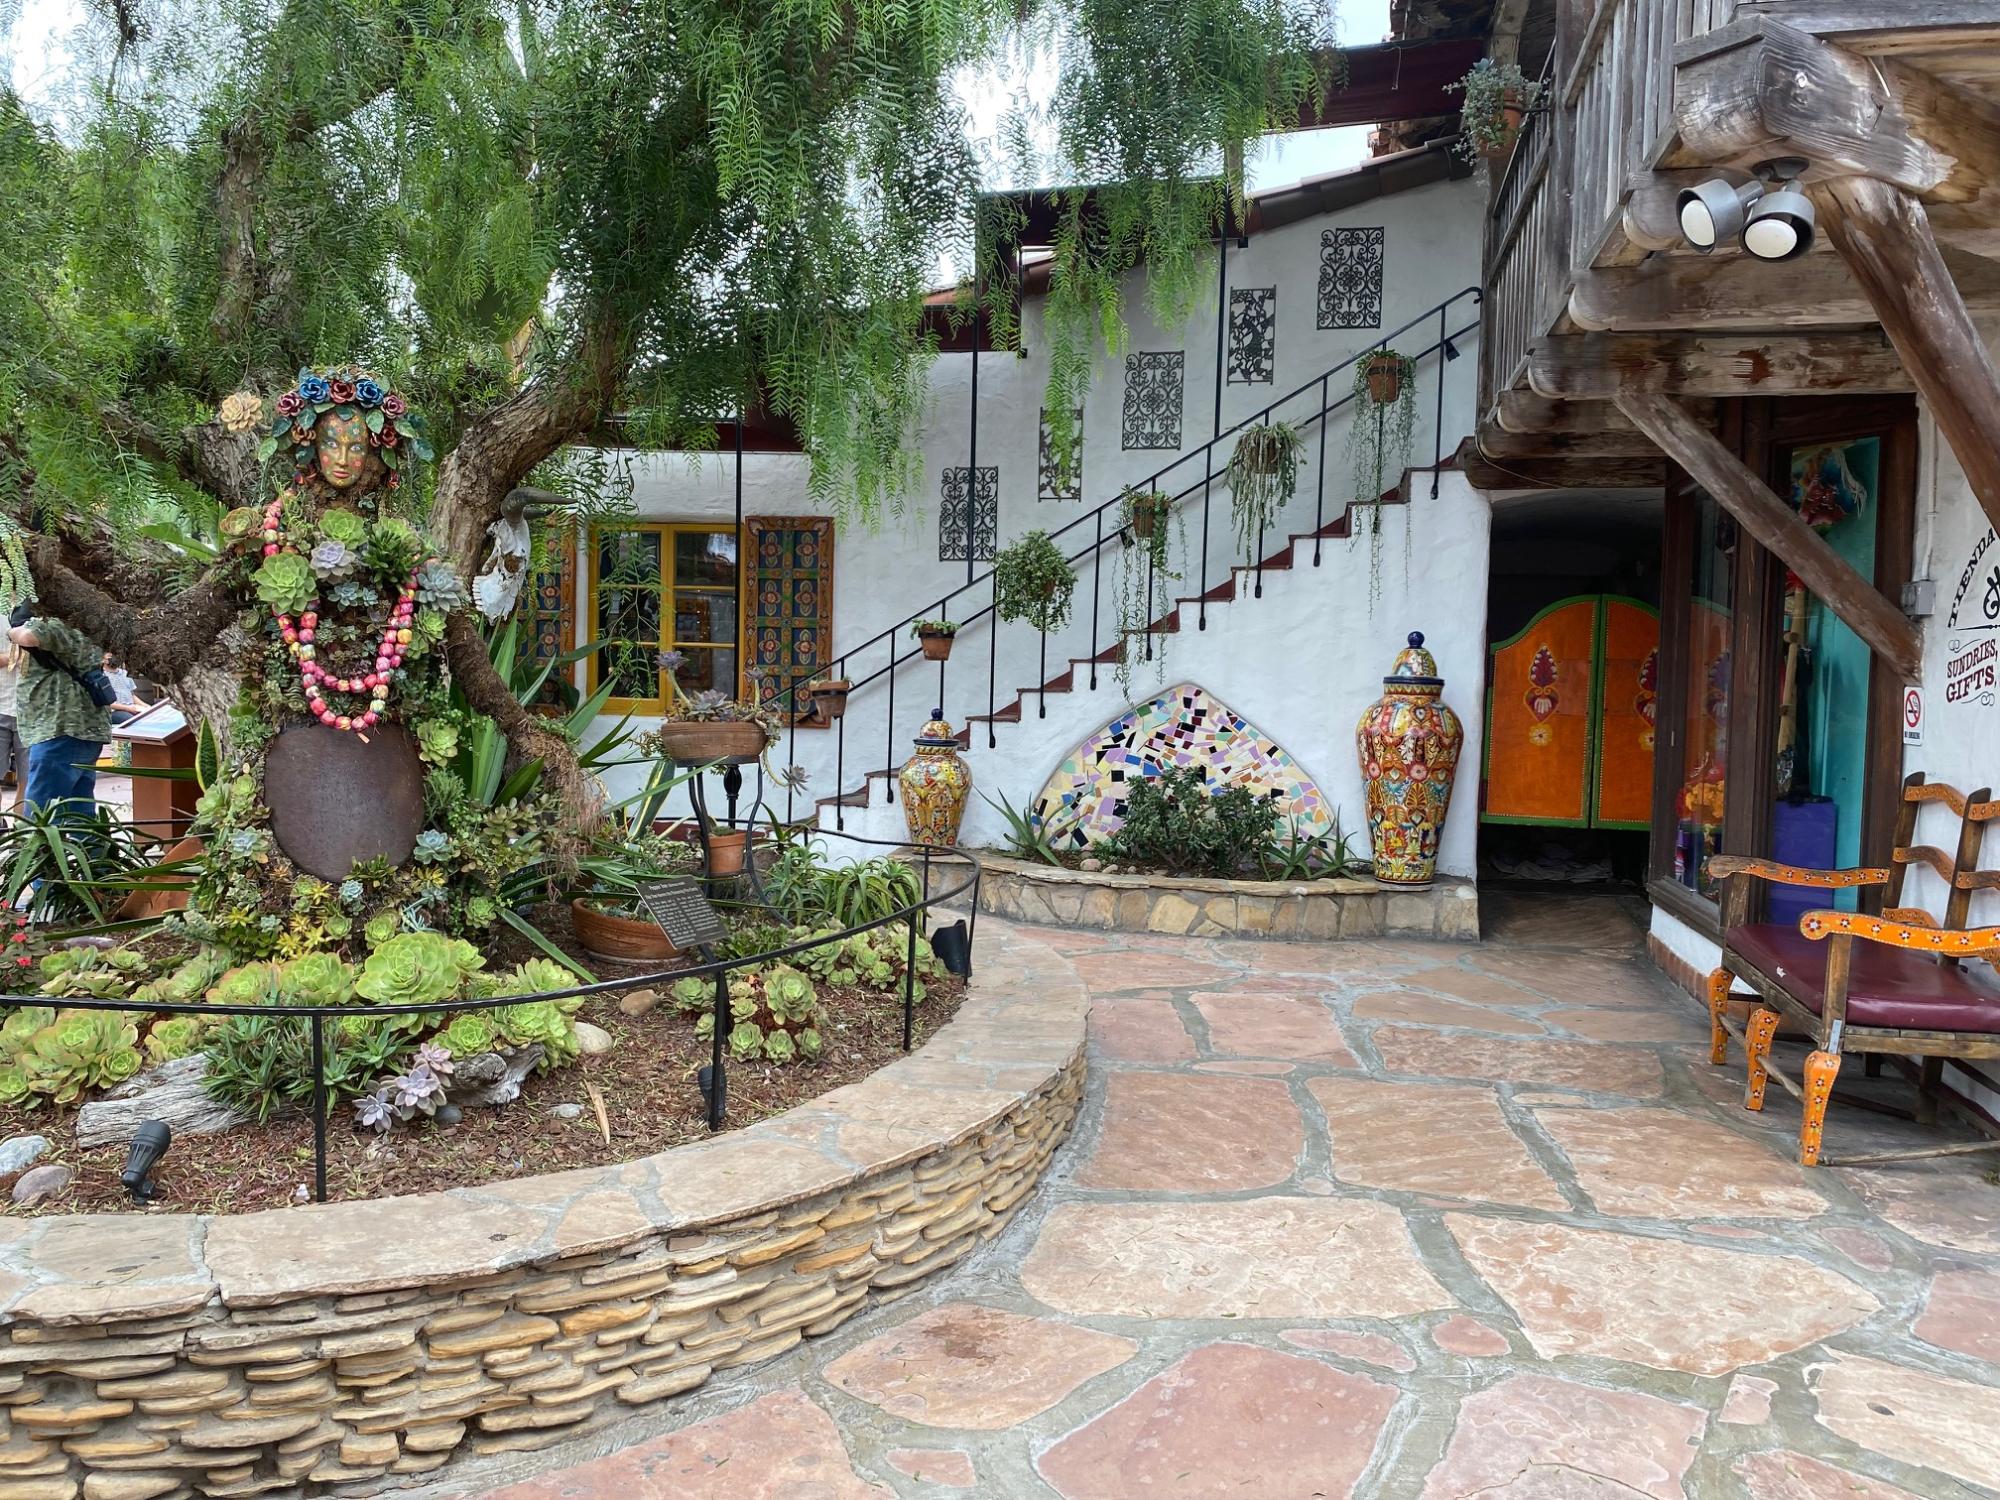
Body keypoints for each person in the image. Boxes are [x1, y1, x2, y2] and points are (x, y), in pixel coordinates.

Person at [7, 607, 112, 817]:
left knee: (42, 816)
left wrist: (12, 632)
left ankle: (40, 851)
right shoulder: (87, 623)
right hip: (83, 729)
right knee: (80, 813)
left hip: (59, 729)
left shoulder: (56, 623)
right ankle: (92, 850)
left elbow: (29, 636)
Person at [0, 644, 21, 810]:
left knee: (29, 778)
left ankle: (23, 830)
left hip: (33, 713)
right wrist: (11, 657)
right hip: (1, 706)